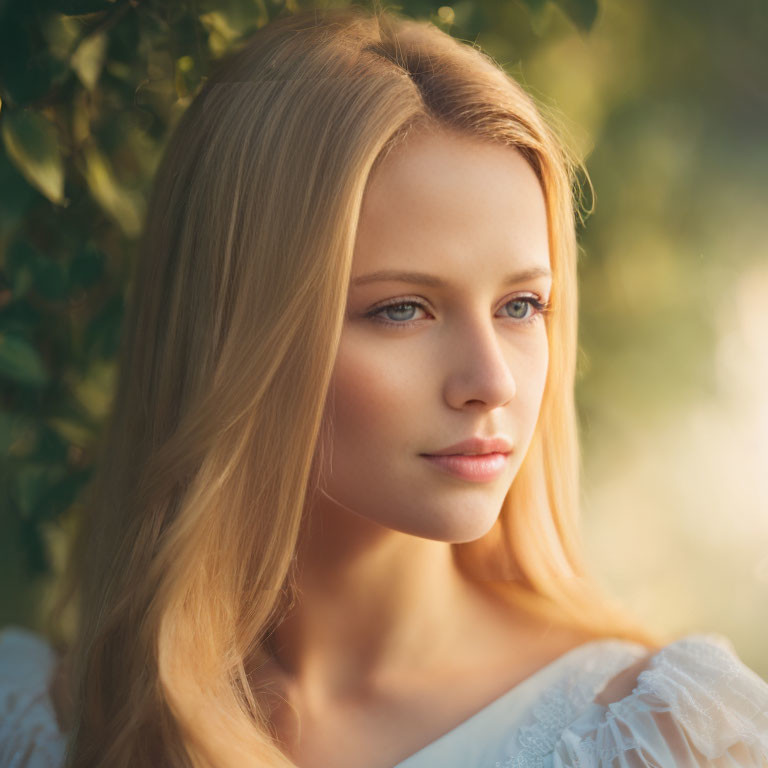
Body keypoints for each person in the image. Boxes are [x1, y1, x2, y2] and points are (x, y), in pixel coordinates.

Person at [1, 4, 767, 767]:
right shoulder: (40, 725)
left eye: (521, 306)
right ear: (236, 333)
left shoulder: (658, 739)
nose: (490, 382)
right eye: (402, 309)